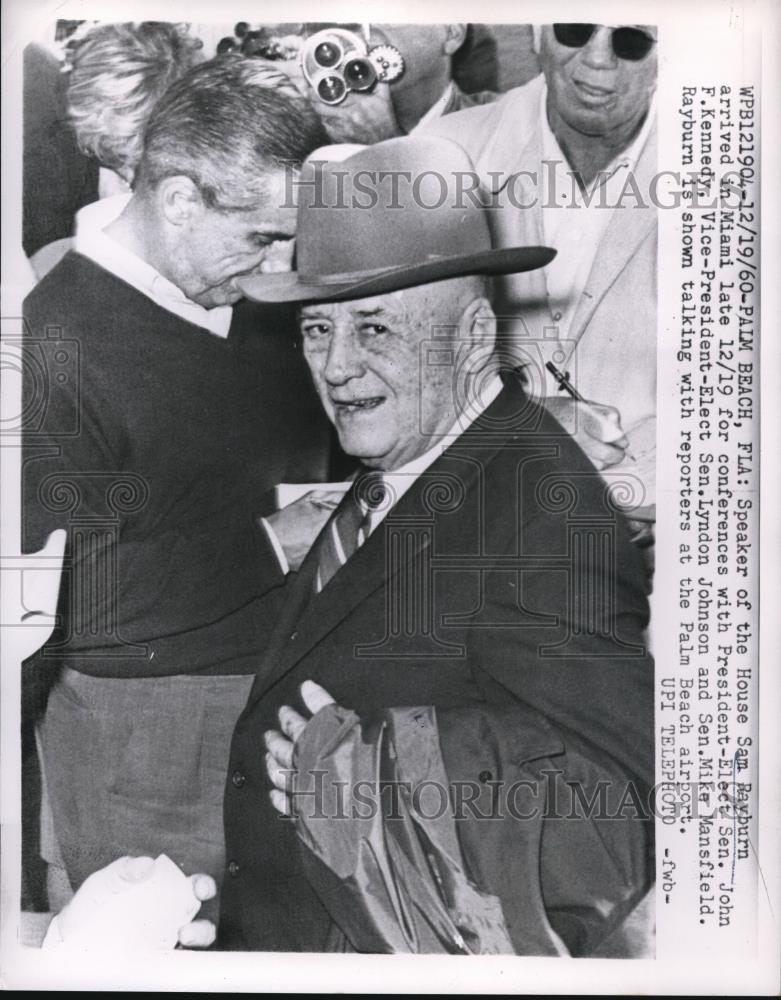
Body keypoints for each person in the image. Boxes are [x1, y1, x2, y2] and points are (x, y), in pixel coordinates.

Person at [218, 136, 655, 954]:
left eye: (374, 328)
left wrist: (370, 780)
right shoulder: (416, 448)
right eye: (317, 330)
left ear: (470, 335)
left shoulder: (541, 513)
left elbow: (619, 817)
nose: (337, 368)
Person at [21, 57, 339, 914]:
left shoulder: (242, 297)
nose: (280, 262)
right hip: (144, 743)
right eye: (263, 236)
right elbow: (64, 601)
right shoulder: (47, 347)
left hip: (271, 701)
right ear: (180, 199)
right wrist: (278, 540)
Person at [423, 23, 658, 524]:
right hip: (474, 523)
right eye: (574, 30)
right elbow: (394, 362)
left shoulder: (740, 173)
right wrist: (516, 425)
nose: (597, 60)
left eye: (632, 40)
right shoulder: (443, 155)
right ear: (536, 33)